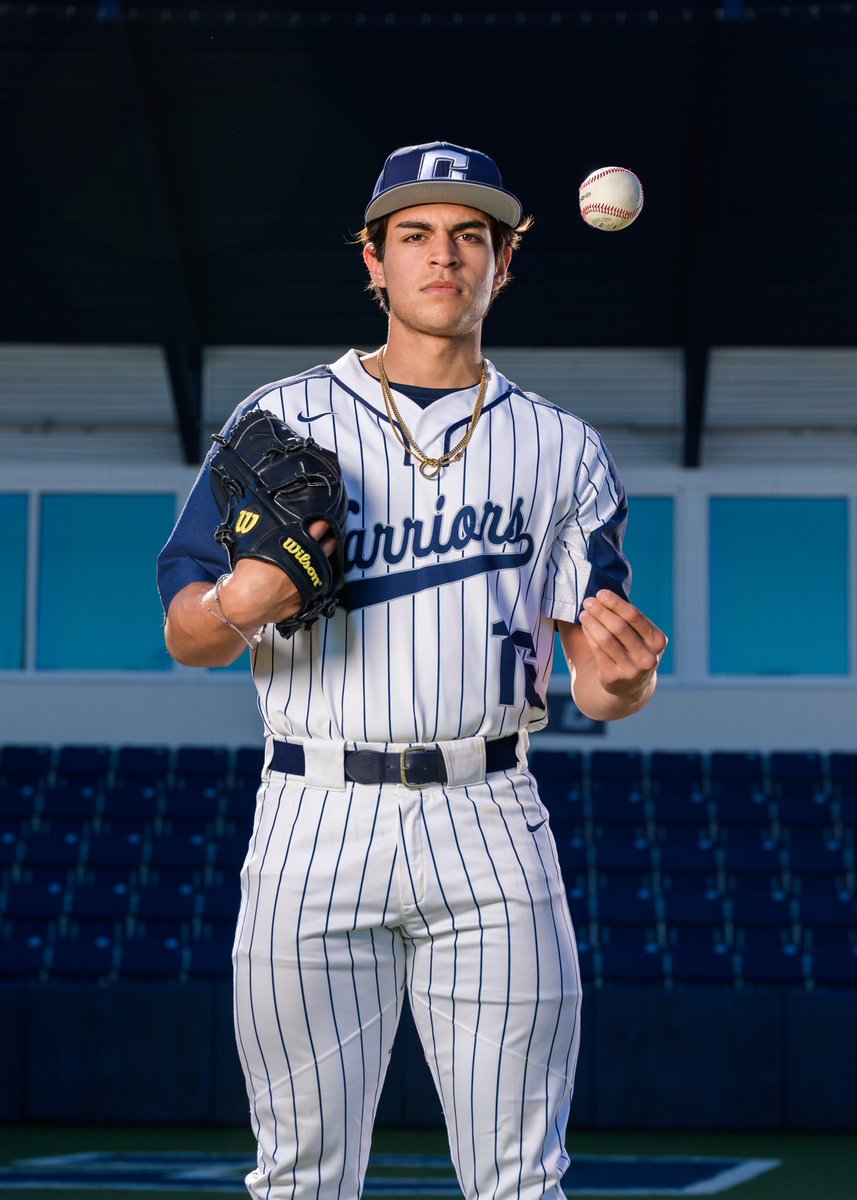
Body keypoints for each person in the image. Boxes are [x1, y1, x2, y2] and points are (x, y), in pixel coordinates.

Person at [158, 140, 667, 1200]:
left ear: (503, 265)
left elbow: (594, 676)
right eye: (417, 236)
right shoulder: (277, 419)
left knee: (520, 1180)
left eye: (470, 237)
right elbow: (186, 632)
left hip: (489, 816)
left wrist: (624, 680)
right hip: (313, 811)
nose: (445, 256)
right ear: (373, 263)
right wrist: (235, 604)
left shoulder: (561, 449)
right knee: (298, 1174)